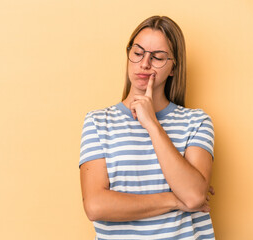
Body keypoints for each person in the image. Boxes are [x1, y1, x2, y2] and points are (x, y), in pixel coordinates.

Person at [79, 16, 215, 239]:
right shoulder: (98, 122)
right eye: (138, 53)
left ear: (173, 68)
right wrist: (173, 199)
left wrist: (152, 124)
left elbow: (193, 196)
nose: (144, 64)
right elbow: (95, 206)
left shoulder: (197, 122)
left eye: (158, 57)